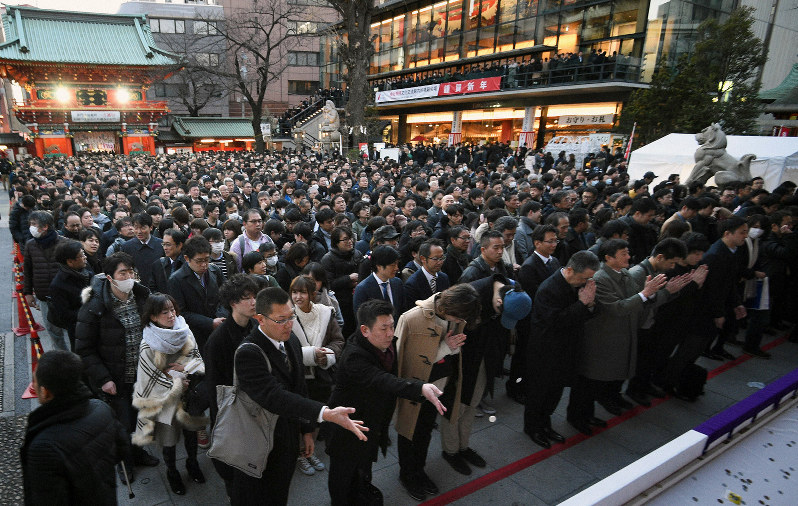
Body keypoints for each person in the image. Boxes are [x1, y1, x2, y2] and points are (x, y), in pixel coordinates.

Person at [231, 287, 368, 505]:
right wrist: (325, 413)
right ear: (260, 319)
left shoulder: (290, 339)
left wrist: (306, 431)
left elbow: (299, 387)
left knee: (279, 491)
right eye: (281, 319)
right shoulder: (249, 352)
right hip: (255, 442)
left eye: (291, 316)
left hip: (286, 438)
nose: (289, 324)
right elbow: (274, 396)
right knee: (253, 495)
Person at [326, 300, 446, 505]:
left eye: (392, 326)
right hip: (346, 428)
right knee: (343, 477)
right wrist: (420, 388)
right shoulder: (354, 357)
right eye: (384, 328)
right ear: (365, 330)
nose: (391, 333)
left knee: (363, 468)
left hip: (371, 423)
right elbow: (383, 380)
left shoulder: (387, 346)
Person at [75, 252, 159, 484]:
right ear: (110, 278)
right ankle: (124, 463)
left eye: (131, 272)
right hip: (115, 379)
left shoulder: (143, 296)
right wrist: (103, 378)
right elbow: (84, 349)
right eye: (123, 273)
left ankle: (138, 452)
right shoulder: (95, 307)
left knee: (140, 420)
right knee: (120, 425)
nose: (129, 277)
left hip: (142, 376)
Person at [568, 240, 667, 434]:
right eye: (623, 254)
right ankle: (576, 417)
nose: (629, 257)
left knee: (597, 382)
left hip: (617, 337)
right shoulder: (600, 278)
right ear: (608, 258)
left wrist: (647, 293)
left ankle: (587, 414)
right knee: (587, 382)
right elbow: (617, 308)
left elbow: (635, 299)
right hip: (599, 340)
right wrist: (645, 293)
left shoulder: (623, 274)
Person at [394, 284, 479, 501]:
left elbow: (452, 351)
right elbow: (401, 360)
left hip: (440, 385)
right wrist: (446, 347)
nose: (460, 323)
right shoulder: (412, 318)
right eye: (459, 318)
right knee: (408, 434)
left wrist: (453, 347)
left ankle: (419, 470)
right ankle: (407, 475)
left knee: (424, 431)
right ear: (449, 307)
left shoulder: (455, 316)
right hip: (413, 390)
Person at [441, 275, 530, 475]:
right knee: (456, 407)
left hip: (483, 358)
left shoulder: (513, 289)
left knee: (472, 404)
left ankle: (463, 446)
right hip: (461, 361)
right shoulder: (470, 294)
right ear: (499, 301)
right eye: (501, 313)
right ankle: (451, 450)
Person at [22, 350, 128, 505]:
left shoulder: (43, 447)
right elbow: (122, 448)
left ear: (45, 392)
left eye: (35, 381)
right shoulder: (101, 408)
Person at [132, 293, 208, 495]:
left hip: (189, 394)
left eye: (172, 309)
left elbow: (198, 360)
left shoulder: (184, 330)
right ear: (153, 317)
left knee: (191, 434)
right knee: (169, 439)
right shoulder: (148, 343)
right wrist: (177, 381)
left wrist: (184, 370)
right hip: (165, 399)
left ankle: (193, 464)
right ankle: (172, 472)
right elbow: (148, 377)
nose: (171, 315)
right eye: (164, 312)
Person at [523, 251, 599, 448]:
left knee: (555, 392)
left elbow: (588, 312)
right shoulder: (549, 289)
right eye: (584, 278)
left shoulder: (578, 284)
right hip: (546, 352)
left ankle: (545, 424)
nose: (586, 282)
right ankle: (533, 427)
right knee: (539, 394)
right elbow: (554, 323)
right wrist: (582, 304)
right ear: (571, 270)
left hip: (567, 350)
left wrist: (589, 305)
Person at [204, 274, 260, 498]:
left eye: (254, 296)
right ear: (233, 303)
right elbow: (215, 385)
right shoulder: (218, 340)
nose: (254, 301)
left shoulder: (255, 325)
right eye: (247, 298)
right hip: (232, 407)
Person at [289, 275, 345, 476]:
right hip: (297, 377)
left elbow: (338, 341)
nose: (297, 297)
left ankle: (309, 451)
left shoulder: (325, 313)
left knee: (315, 416)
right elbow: (285, 349)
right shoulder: (287, 316)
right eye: (294, 292)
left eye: (302, 292)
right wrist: (312, 355)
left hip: (321, 378)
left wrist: (326, 357)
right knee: (298, 418)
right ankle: (300, 454)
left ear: (313, 294)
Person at [510, 224, 561, 402]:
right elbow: (534, 296)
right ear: (537, 243)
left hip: (546, 318)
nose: (554, 244)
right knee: (523, 356)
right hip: (531, 319)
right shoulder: (530, 266)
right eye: (550, 241)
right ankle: (516, 388)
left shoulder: (554, 262)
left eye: (556, 240)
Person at [167, 236, 226, 353]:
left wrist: (221, 316)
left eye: (207, 260)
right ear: (187, 258)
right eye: (199, 261)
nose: (204, 264)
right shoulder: (177, 279)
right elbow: (180, 312)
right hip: (195, 335)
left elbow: (225, 297)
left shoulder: (215, 271)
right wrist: (210, 323)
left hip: (219, 329)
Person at [24, 210, 69, 351]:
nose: (31, 227)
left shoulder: (64, 243)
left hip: (65, 294)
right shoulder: (30, 245)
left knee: (69, 327)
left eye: (34, 224)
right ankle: (62, 356)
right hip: (44, 295)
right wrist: (28, 292)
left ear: (45, 226)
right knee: (52, 328)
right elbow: (28, 270)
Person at [48, 240, 92, 350]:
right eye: (81, 255)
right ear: (70, 262)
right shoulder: (58, 285)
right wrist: (89, 313)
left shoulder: (86, 271)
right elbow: (64, 314)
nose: (85, 257)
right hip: (78, 329)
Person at [353, 245, 404, 324]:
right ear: (379, 266)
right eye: (392, 265)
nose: (396, 268)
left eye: (397, 264)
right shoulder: (363, 289)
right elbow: (361, 320)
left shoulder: (397, 283)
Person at [403, 239, 450, 312]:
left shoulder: (443, 277)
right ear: (423, 259)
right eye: (435, 259)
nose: (440, 262)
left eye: (442, 258)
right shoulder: (412, 284)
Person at [120, 212, 164, 290]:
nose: (139, 231)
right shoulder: (127, 247)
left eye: (143, 228)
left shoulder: (161, 245)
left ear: (151, 227)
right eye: (136, 228)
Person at [149, 228, 186, 293]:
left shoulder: (188, 264)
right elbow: (152, 288)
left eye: (168, 245)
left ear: (180, 245)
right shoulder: (158, 264)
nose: (165, 248)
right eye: (163, 244)